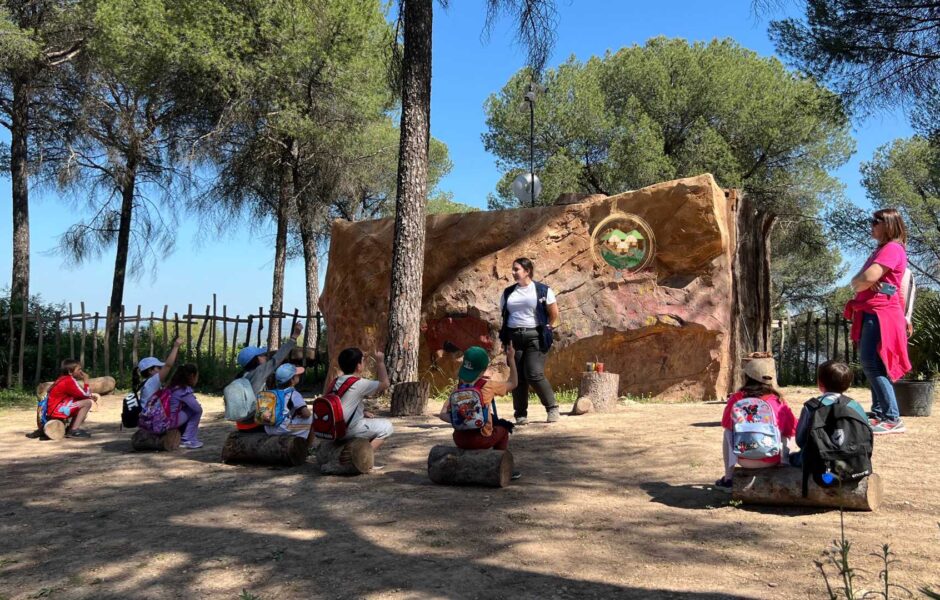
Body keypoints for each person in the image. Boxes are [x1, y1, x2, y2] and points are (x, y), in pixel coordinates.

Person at [844, 208, 911, 434]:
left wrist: (860, 282)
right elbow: (860, 282)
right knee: (875, 363)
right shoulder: (882, 249)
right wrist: (860, 282)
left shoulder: (892, 248)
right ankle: (881, 412)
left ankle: (892, 418)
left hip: (880, 313)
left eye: (876, 221)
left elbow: (866, 279)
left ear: (889, 224)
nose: (871, 225)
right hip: (873, 311)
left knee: (871, 363)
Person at [437, 345, 521, 479]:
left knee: (492, 420)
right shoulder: (489, 385)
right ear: (483, 370)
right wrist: (511, 358)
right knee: (504, 429)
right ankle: (500, 464)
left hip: (459, 439)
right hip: (480, 439)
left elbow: (442, 414)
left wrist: (461, 420)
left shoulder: (458, 388)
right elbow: (514, 383)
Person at [715, 354, 796, 489]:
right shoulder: (778, 401)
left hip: (743, 458)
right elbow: (793, 428)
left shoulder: (736, 399)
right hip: (772, 458)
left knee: (728, 432)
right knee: (788, 432)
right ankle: (784, 466)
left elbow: (725, 423)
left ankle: (728, 479)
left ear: (747, 377)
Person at [498, 257, 560, 425]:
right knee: (517, 376)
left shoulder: (542, 290)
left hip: (535, 336)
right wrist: (505, 341)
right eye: (513, 269)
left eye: (516, 269)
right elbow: (504, 315)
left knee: (534, 373)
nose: (513, 272)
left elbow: (553, 313)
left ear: (527, 271)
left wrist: (548, 327)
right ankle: (520, 413)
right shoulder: (508, 292)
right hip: (513, 338)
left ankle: (552, 407)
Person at [790, 360, 868, 467]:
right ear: (848, 385)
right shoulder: (855, 406)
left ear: (820, 383)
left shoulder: (811, 407)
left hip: (820, 462)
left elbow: (800, 440)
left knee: (793, 457)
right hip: (853, 461)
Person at [233, 321, 303, 431]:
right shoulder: (260, 371)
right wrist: (294, 337)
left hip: (241, 424)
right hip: (255, 423)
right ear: (256, 359)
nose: (265, 357)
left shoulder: (241, 376)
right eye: (262, 355)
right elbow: (278, 358)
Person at [328, 348, 392, 452]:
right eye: (362, 361)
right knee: (387, 427)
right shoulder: (358, 383)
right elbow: (385, 384)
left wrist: (362, 412)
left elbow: (342, 403)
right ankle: (363, 457)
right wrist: (380, 362)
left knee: (369, 422)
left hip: (333, 429)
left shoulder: (335, 381)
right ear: (358, 366)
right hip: (348, 430)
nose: (364, 363)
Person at [44, 359, 101, 438]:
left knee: (82, 402)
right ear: (70, 372)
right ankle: (74, 430)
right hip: (57, 410)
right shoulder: (69, 380)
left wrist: (89, 396)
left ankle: (70, 429)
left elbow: (80, 395)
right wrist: (86, 381)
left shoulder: (62, 378)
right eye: (79, 369)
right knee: (87, 403)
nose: (81, 372)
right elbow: (85, 395)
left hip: (53, 410)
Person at [264, 363, 313, 444]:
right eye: (297, 375)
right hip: (283, 428)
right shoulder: (293, 393)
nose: (299, 376)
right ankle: (307, 448)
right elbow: (306, 413)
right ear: (292, 380)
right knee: (312, 419)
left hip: (268, 428)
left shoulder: (273, 392)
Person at [134, 336, 184, 410]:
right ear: (150, 371)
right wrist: (176, 346)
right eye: (159, 368)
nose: (161, 370)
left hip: (145, 417)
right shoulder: (153, 381)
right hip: (150, 419)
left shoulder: (146, 382)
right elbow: (168, 366)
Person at [165, 363, 204, 449]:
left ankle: (184, 436)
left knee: (190, 408)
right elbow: (197, 408)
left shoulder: (172, 386)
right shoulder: (183, 390)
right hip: (170, 421)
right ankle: (187, 439)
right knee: (196, 411)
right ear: (192, 375)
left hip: (163, 419)